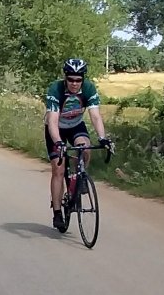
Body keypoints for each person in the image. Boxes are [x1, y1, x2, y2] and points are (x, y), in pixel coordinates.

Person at [45, 58, 113, 230]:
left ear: (83, 79)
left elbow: (95, 116)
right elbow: (52, 121)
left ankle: (79, 177)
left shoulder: (89, 88)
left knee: (85, 147)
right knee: (58, 169)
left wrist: (103, 137)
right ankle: (58, 212)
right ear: (65, 77)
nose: (74, 83)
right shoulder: (56, 89)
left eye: (78, 79)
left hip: (75, 125)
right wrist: (59, 142)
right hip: (56, 129)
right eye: (71, 79)